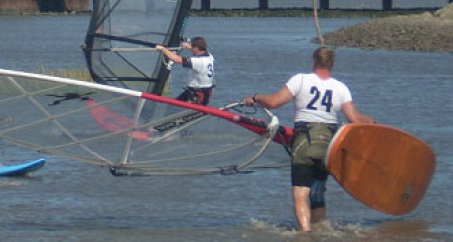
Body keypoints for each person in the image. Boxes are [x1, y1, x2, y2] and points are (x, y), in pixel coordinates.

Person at [242, 46, 374, 232]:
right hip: (329, 146)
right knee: (318, 193)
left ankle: (305, 234)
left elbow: (274, 102)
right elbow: (355, 120)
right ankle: (319, 231)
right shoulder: (340, 87)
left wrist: (256, 97)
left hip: (304, 142)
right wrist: (371, 121)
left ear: (313, 61)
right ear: (332, 64)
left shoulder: (301, 80)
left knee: (300, 193)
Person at [154, 37, 215, 105]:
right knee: (173, 105)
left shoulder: (198, 61)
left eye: (192, 47)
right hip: (205, 92)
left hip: (197, 95)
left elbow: (176, 59)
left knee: (175, 107)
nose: (191, 49)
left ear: (196, 48)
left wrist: (163, 49)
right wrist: (188, 46)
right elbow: (201, 50)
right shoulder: (210, 56)